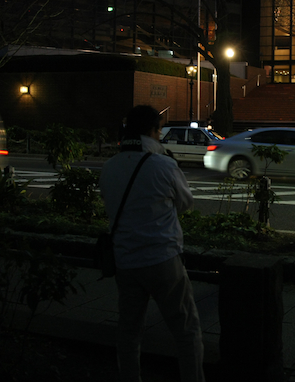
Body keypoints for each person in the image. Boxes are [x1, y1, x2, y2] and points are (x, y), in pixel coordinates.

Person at [99, 105, 205, 382]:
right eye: (159, 131)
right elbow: (186, 203)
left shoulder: (110, 167)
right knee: (186, 330)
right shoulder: (163, 165)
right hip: (163, 258)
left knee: (129, 331)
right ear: (152, 131)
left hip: (125, 260)